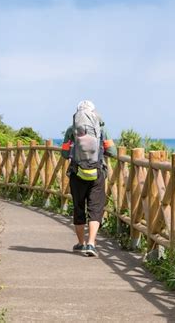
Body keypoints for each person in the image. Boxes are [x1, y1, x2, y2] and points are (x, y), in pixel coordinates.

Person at [61, 100, 117, 257]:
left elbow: (65, 154)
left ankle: (81, 243)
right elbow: (112, 152)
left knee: (79, 207)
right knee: (95, 208)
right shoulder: (101, 129)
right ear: (94, 113)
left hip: (77, 172)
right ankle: (92, 244)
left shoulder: (71, 130)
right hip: (97, 172)